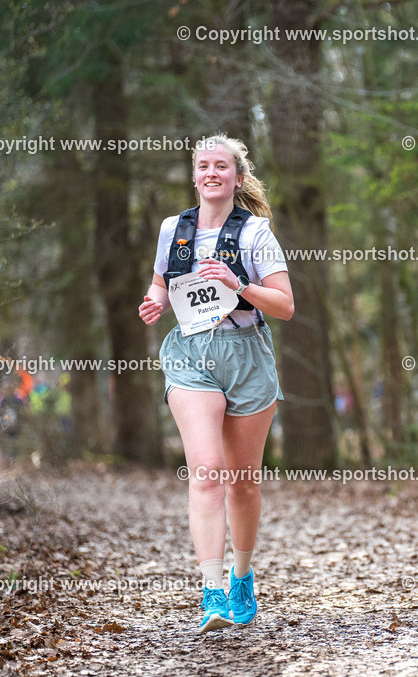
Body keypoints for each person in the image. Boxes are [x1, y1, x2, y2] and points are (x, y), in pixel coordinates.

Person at [138, 134, 294, 634]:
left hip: (246, 354)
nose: (211, 173)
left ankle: (242, 577)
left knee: (243, 483)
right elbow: (162, 282)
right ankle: (212, 592)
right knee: (206, 472)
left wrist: (238, 284)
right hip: (191, 356)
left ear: (237, 177)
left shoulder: (255, 234)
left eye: (221, 166)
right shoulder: (173, 229)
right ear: (194, 175)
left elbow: (285, 305)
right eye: (202, 165)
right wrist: (155, 302)